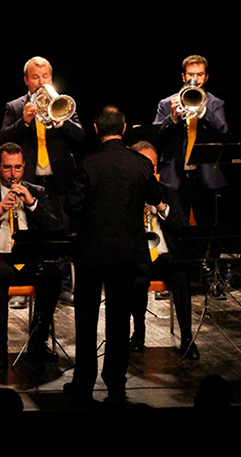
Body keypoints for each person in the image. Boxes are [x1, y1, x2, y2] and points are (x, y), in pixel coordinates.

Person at [64, 106, 162, 402]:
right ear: (125, 127)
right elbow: (156, 198)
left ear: (95, 128)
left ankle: (83, 382)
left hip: (91, 253)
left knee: (86, 318)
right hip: (126, 253)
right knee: (120, 319)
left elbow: (72, 206)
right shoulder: (140, 164)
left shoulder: (89, 163)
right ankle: (116, 384)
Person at [0, 142, 62, 369]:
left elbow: (55, 227)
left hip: (27, 257)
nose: (13, 174)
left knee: (52, 275)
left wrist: (31, 203)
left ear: (24, 167)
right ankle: (1, 349)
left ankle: (38, 343)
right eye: (8, 168)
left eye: (18, 168)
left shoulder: (36, 192)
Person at [0, 55, 83, 305]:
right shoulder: (15, 107)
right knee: (30, 233)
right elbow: (3, 139)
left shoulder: (62, 103)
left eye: (45, 76)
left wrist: (61, 121)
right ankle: (25, 287)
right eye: (35, 77)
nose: (40, 81)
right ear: (26, 80)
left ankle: (64, 286)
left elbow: (80, 136)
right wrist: (24, 122)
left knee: (62, 231)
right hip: (30, 182)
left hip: (59, 181)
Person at [128, 141, 197, 359]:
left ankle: (187, 338)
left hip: (165, 256)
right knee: (138, 280)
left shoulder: (168, 192)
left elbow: (183, 228)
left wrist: (161, 207)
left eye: (154, 166)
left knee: (181, 274)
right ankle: (138, 334)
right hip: (139, 258)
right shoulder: (126, 194)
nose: (151, 171)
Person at [153, 55, 227, 225]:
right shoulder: (166, 104)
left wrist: (203, 113)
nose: (195, 79)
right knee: (176, 228)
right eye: (191, 75)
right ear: (183, 77)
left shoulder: (215, 104)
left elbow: (223, 131)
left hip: (206, 177)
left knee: (206, 227)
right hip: (175, 178)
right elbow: (155, 137)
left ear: (206, 77)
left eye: (199, 75)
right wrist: (172, 119)